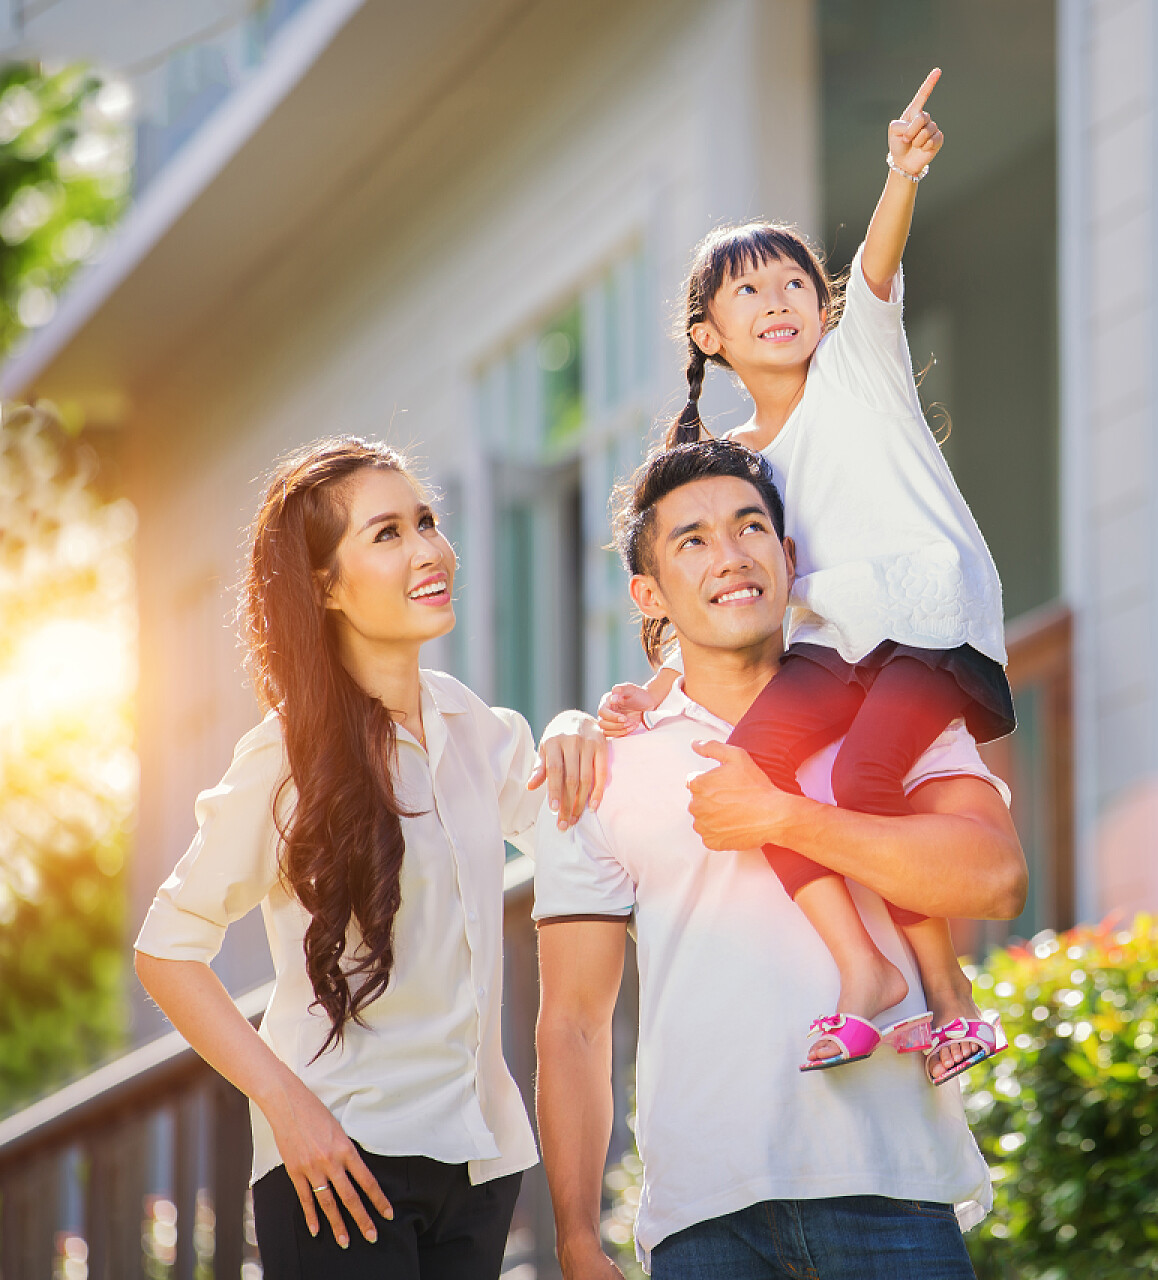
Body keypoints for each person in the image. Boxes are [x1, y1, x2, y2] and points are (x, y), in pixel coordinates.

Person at [600, 67, 1010, 1081]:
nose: (779, 301)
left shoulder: (856, 366)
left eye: (794, 283)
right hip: (840, 642)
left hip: (927, 626)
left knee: (867, 776)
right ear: (711, 335)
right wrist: (651, 691)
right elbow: (738, 581)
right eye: (748, 291)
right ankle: (859, 968)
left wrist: (898, 172)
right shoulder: (737, 461)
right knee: (749, 767)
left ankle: (948, 994)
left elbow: (874, 267)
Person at [534, 438, 1026, 1278]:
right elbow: (575, 1023)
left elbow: (996, 878)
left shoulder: (896, 713)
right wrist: (577, 1237)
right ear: (646, 594)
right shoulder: (601, 767)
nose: (730, 556)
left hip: (893, 1190)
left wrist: (788, 817)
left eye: (750, 526)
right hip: (703, 1220)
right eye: (692, 539)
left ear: (789, 556)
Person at [133, 437, 597, 1275]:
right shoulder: (285, 757)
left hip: (480, 1166)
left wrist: (577, 726)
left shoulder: (474, 729)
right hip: (340, 1168)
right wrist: (287, 1108)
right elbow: (168, 948)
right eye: (387, 534)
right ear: (325, 585)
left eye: (427, 521)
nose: (429, 550)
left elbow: (585, 821)